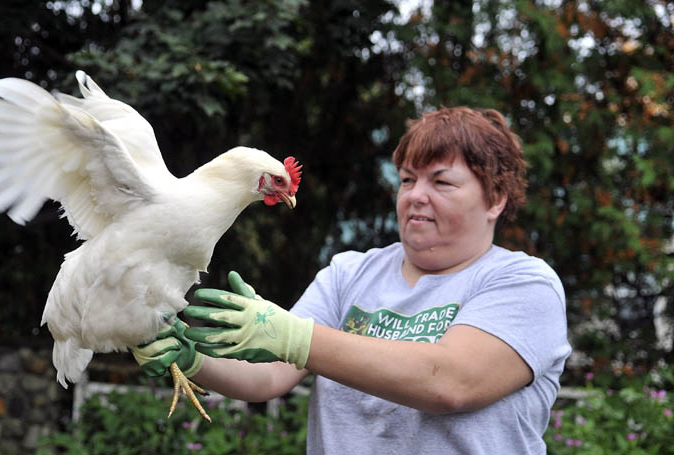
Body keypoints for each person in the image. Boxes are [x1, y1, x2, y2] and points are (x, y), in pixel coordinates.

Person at [134, 107, 571, 454]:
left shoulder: (524, 284)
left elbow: (451, 382)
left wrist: (297, 338)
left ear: (495, 198)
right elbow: (268, 377)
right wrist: (191, 358)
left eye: (442, 182)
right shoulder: (351, 273)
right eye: (407, 179)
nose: (416, 195)